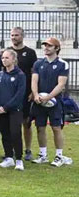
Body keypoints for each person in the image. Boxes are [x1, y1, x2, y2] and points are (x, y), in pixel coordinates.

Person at [31, 37, 72, 167]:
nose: (46, 48)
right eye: (45, 45)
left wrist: (48, 97)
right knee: (40, 127)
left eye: (49, 45)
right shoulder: (38, 63)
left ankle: (59, 156)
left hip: (55, 101)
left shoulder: (62, 64)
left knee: (56, 127)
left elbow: (61, 84)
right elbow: (34, 81)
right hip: (39, 101)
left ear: (57, 48)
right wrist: (36, 95)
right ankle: (43, 155)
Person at [0, 49, 26, 171]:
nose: (4, 60)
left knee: (15, 133)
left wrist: (6, 107)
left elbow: (19, 95)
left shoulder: (20, 75)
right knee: (5, 133)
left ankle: (18, 159)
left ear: (13, 59)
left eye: (7, 58)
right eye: (3, 58)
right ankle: (9, 157)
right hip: (1, 110)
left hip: (14, 110)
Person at [10, 26, 38, 161]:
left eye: (16, 35)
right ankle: (13, 150)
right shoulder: (7, 53)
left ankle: (27, 150)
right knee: (11, 123)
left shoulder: (30, 53)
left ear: (22, 36)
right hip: (10, 94)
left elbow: (34, 74)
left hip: (26, 93)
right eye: (12, 35)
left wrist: (33, 92)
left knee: (26, 123)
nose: (14, 37)